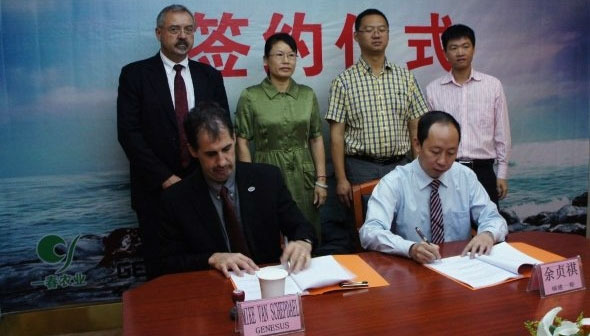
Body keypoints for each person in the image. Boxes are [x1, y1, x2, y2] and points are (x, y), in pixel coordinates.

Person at [117, 4, 229, 277]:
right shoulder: (135, 75)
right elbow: (129, 135)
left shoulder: (209, 76)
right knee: (162, 268)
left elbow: (223, 129)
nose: (182, 36)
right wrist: (166, 178)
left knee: (209, 265)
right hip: (155, 191)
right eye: (174, 29)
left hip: (204, 188)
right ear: (158, 33)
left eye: (188, 29)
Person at [158, 102, 316, 278]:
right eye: (211, 154)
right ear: (193, 151)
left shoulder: (267, 179)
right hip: (212, 288)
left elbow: (301, 225)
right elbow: (166, 263)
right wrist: (211, 258)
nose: (222, 162)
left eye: (226, 149)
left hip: (267, 282)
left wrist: (303, 242)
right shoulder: (176, 199)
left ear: (234, 138)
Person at [359, 111, 508, 264]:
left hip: (460, 265)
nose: (443, 161)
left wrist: (488, 234)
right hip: (412, 270)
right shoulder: (394, 182)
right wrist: (410, 248)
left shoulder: (465, 177)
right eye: (435, 152)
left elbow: (493, 218)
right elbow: (370, 232)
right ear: (417, 145)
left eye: (451, 153)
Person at [325, 8, 429, 208]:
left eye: (382, 29)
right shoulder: (343, 82)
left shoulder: (405, 78)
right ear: (356, 36)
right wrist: (341, 179)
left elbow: (415, 127)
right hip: (360, 168)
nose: (377, 34)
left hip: (401, 166)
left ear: (388, 34)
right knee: (365, 228)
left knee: (404, 225)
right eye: (369, 30)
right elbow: (336, 136)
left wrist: (418, 169)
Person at [235, 33, 327, 243]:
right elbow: (242, 140)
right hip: (266, 168)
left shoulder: (307, 94)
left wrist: (321, 181)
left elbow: (316, 137)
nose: (286, 61)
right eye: (279, 55)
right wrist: (249, 182)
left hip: (303, 173)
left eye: (291, 55)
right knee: (269, 233)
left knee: (306, 232)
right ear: (266, 60)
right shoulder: (251, 96)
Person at [426, 24, 511, 205]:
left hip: (483, 171)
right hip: (446, 170)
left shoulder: (492, 86)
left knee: (488, 229)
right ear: (445, 53)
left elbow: (502, 133)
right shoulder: (433, 90)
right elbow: (429, 137)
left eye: (465, 46)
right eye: (454, 48)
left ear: (474, 49)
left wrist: (502, 173)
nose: (460, 52)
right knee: (448, 230)